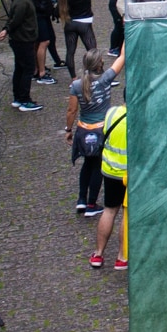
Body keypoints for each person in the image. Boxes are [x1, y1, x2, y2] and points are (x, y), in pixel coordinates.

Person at [65, 50, 125, 217]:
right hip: (101, 130)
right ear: (99, 64)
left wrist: (68, 130)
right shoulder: (105, 79)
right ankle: (92, 204)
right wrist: (125, 34)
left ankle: (81, 200)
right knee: (98, 166)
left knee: (86, 165)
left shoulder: (77, 85)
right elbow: (121, 58)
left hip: (84, 130)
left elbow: (71, 110)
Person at [93, 99, 128, 269]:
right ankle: (121, 257)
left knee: (109, 210)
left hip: (110, 170)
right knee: (127, 215)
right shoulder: (139, 119)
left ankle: (98, 254)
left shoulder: (111, 112)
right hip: (130, 174)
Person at [4, 0, 42, 111]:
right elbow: (15, 20)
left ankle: (18, 98)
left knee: (20, 69)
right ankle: (25, 100)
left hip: (20, 39)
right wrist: (7, 29)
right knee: (27, 69)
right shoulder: (23, 1)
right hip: (23, 40)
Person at [62, 0, 102, 66]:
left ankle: (73, 78)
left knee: (70, 52)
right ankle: (96, 73)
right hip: (84, 24)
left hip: (70, 23)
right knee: (92, 50)